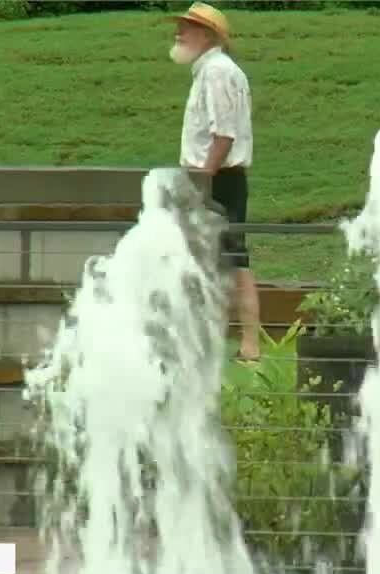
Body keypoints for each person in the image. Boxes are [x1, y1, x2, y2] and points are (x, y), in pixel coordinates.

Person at [169, 2, 261, 361]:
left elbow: (224, 134)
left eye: (187, 28)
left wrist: (204, 177)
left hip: (218, 178)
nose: (179, 33)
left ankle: (249, 345)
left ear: (207, 36)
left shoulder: (218, 72)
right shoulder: (211, 71)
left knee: (235, 260)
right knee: (210, 259)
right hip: (213, 175)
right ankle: (207, 339)